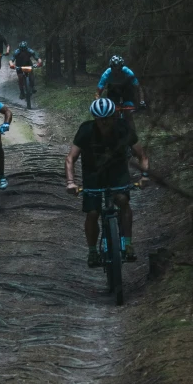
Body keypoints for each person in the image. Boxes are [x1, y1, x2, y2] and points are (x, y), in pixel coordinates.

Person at [65, 97, 149, 267]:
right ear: (95, 119)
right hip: (92, 173)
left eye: (107, 119)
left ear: (113, 117)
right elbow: (71, 158)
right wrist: (70, 182)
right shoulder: (86, 130)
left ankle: (127, 243)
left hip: (118, 171)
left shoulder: (123, 128)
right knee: (93, 212)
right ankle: (92, 251)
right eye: (100, 119)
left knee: (123, 201)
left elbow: (142, 155)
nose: (104, 123)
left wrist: (145, 176)